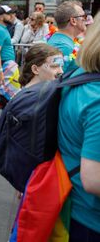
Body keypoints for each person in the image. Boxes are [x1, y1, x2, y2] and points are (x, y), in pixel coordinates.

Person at [58, 15, 100, 240]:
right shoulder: (97, 99)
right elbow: (94, 179)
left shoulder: (80, 73)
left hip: (75, 210)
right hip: (90, 220)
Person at [0, 5, 21, 102]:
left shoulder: (1, 28)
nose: (12, 16)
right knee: (5, 97)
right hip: (3, 65)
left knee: (7, 96)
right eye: (9, 14)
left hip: (5, 64)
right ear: (0, 16)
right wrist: (0, 72)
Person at [47, 0, 87, 73]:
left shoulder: (63, 41)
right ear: (73, 21)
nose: (85, 19)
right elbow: (55, 79)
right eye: (83, 16)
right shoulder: (63, 46)